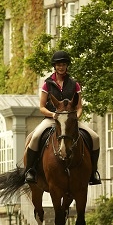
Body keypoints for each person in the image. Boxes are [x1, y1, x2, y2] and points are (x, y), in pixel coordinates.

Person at [23, 50, 101, 186]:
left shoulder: (74, 84)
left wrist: (75, 117)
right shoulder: (47, 84)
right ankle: (30, 171)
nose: (61, 67)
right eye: (59, 64)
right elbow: (41, 107)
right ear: (55, 66)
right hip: (51, 118)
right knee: (35, 138)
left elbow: (80, 106)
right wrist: (54, 115)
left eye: (64, 64)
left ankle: (93, 172)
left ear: (67, 66)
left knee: (95, 138)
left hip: (70, 120)